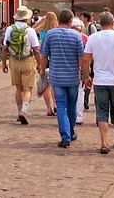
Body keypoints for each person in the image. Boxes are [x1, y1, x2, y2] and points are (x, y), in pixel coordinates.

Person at [83, 12, 114, 154]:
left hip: (100, 80)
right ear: (112, 22)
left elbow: (86, 59)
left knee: (102, 111)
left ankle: (104, 142)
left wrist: (87, 76)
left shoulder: (93, 38)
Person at [39, 9, 84, 149]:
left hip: (57, 76)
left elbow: (44, 55)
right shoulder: (77, 36)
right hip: (72, 77)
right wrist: (84, 74)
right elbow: (81, 58)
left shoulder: (50, 35)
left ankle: (65, 136)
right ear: (71, 21)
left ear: (59, 20)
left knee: (61, 106)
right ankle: (71, 131)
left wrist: (41, 69)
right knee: (71, 105)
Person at [0, 5, 40, 125]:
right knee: (28, 89)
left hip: (14, 60)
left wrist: (4, 63)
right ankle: (24, 110)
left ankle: (18, 112)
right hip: (27, 60)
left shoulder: (9, 29)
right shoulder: (30, 30)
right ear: (27, 18)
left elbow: (4, 48)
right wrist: (39, 64)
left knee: (18, 88)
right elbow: (36, 49)